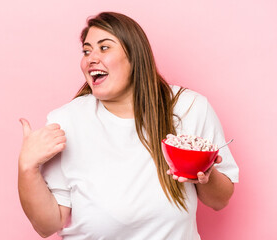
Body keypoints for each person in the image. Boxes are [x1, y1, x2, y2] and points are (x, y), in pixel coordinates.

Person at [18, 12, 239, 239]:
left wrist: (205, 173)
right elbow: (48, 225)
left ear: (135, 56)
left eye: (104, 48)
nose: (90, 59)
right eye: (86, 51)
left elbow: (219, 201)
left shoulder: (188, 107)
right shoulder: (66, 121)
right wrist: (27, 168)